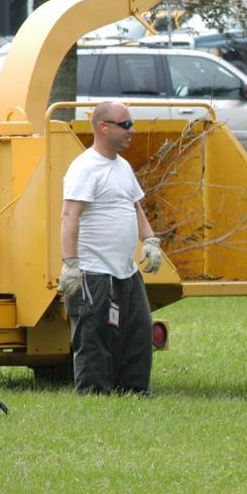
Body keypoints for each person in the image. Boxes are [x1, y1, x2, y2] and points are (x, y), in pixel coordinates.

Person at [59, 101, 164, 395]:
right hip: (94, 272)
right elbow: (69, 216)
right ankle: (94, 395)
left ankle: (133, 392)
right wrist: (70, 264)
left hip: (125, 271)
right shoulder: (85, 168)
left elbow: (134, 206)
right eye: (126, 124)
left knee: (139, 331)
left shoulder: (122, 166)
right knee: (94, 336)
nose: (133, 130)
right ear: (103, 128)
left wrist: (150, 241)